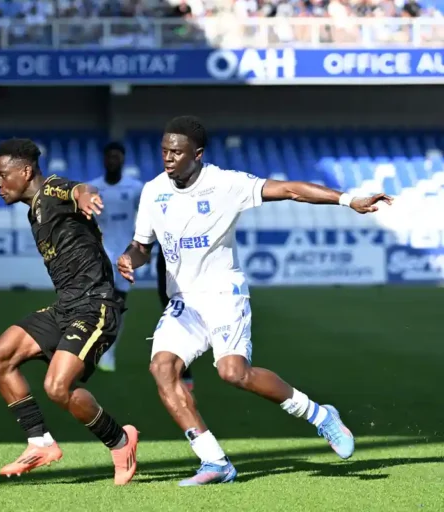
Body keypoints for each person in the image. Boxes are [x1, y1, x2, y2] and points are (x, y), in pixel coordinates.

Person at [117, 116, 392, 486]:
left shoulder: (226, 184)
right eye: (164, 150)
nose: (168, 158)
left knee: (234, 373)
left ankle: (320, 415)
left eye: (177, 152)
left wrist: (347, 199)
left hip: (222, 294)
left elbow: (291, 189)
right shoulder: (153, 191)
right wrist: (128, 259)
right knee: (162, 368)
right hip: (184, 300)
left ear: (197, 154)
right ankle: (214, 461)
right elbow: (141, 246)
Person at [0, 138, 139, 485]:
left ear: (25, 172)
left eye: (2, 175)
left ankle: (120, 440)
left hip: (96, 306)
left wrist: (84, 195)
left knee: (57, 387)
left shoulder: (52, 189)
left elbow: (76, 189)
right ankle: (40, 443)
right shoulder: (34, 209)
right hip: (66, 307)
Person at [86, 142, 143, 372]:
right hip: (99, 254)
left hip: (125, 255)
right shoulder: (92, 188)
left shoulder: (136, 188)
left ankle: (108, 351)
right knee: (97, 304)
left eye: (117, 157)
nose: (113, 161)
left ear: (123, 160)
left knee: (118, 304)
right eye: (109, 157)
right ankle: (91, 347)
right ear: (104, 160)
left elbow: (148, 214)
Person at [156, 249, 194, 390]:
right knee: (172, 315)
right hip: (167, 263)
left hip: (194, 264)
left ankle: (181, 369)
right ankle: (181, 370)